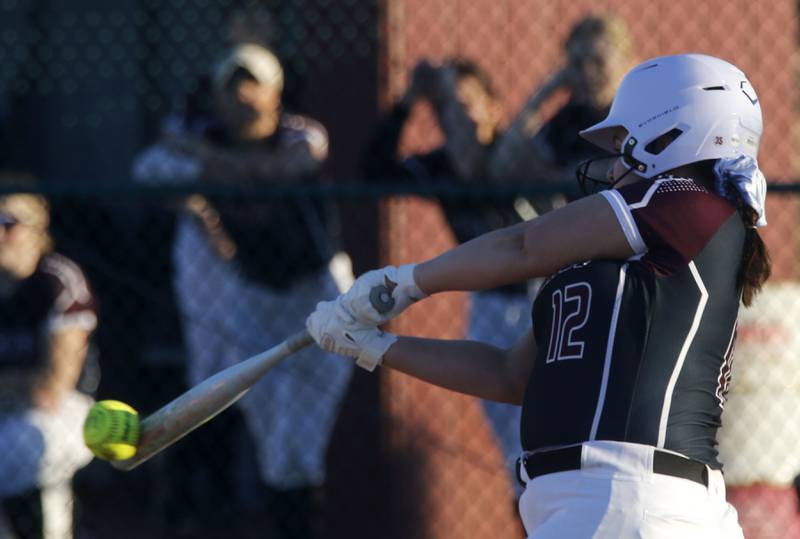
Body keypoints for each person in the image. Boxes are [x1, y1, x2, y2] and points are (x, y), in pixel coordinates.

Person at [307, 53, 769, 537]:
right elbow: (509, 375)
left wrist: (404, 282)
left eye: (621, 143)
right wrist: (375, 346)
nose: (613, 166)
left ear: (669, 133)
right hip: (606, 500)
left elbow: (522, 245)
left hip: (631, 495)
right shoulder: (620, 262)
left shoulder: (693, 202)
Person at [132, 42, 352, 538]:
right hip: (253, 298)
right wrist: (205, 181)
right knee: (277, 442)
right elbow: (146, 170)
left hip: (320, 293)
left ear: (277, 93)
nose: (244, 98)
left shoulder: (300, 132)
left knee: (301, 436)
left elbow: (289, 167)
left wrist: (202, 159)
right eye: (232, 88)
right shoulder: (205, 139)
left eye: (255, 85)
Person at [364, 57, 532, 481]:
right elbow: (374, 171)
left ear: (494, 107)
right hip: (491, 307)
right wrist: (407, 103)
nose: (459, 115)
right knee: (516, 455)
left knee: (551, 433)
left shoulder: (519, 155)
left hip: (544, 298)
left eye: (469, 103)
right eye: (448, 108)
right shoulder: (439, 166)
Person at [0, 185, 96, 539]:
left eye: (10, 222)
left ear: (39, 226)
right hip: (7, 408)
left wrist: (20, 385)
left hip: (64, 413)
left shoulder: (56, 278)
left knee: (23, 442)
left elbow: (52, 387)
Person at [489, 13, 634, 211]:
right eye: (577, 64)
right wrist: (542, 95)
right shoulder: (567, 121)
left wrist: (569, 176)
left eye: (598, 62)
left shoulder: (640, 115)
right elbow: (502, 168)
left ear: (626, 63)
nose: (587, 73)